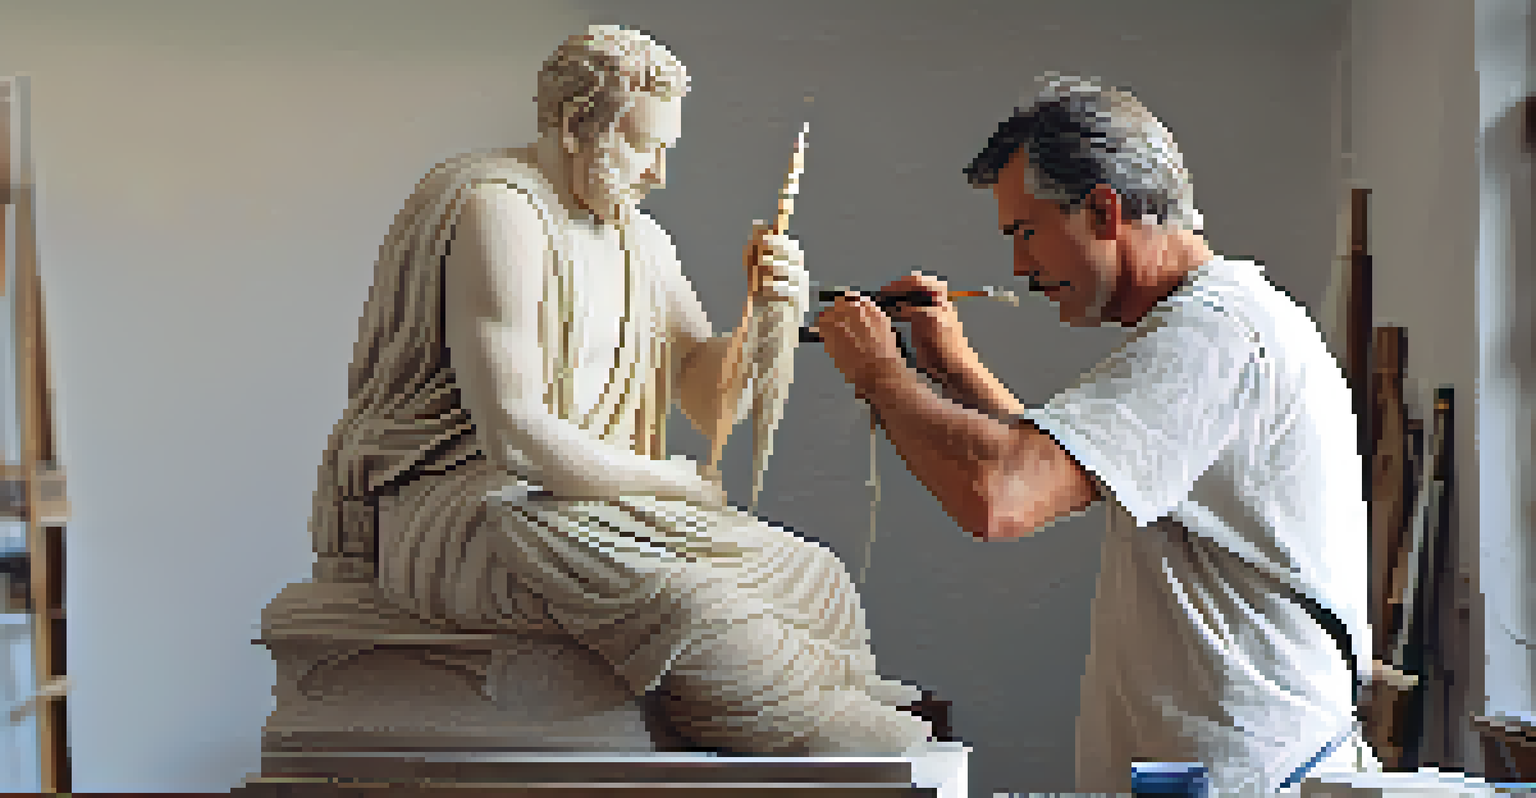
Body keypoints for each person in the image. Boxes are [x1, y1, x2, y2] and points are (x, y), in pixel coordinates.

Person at [306, 25, 932, 755]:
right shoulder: (499, 212)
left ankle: (811, 689)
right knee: (687, 599)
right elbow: (515, 435)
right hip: (475, 507)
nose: (659, 174)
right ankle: (789, 713)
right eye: (642, 147)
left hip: (598, 495)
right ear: (576, 126)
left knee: (814, 574)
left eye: (668, 148)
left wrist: (766, 319)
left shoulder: (642, 240)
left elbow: (705, 392)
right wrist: (670, 481)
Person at [815, 74, 1382, 793]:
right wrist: (953, 370)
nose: (1020, 267)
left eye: (1026, 233)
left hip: (1249, 775)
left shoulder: (1213, 335)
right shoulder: (1224, 321)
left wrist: (881, 376)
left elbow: (1003, 495)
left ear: (1105, 210)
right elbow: (1064, 464)